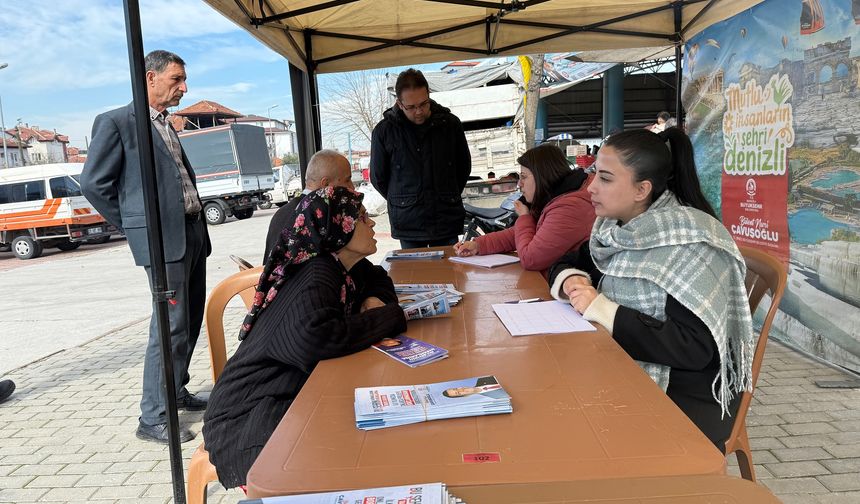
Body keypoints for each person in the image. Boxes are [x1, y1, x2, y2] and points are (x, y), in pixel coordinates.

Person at [547, 128, 754, 451]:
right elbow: (567, 261)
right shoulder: (619, 231)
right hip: (630, 366)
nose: (591, 188)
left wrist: (602, 308)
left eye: (605, 178)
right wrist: (574, 279)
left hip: (686, 400)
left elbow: (693, 348)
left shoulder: (686, 243)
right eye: (593, 175)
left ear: (642, 189)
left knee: (557, 422)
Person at [203, 186, 407, 489]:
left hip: (293, 400)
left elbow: (378, 277)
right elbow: (315, 340)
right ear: (339, 228)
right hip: (249, 421)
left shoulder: (342, 264)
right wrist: (388, 316)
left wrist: (376, 298)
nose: (373, 224)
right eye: (362, 218)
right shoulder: (317, 272)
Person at [81, 50, 211, 444]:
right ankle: (152, 416)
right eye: (176, 79)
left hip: (190, 235)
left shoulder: (165, 123)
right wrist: (137, 226)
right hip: (162, 243)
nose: (184, 88)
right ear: (150, 78)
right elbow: (94, 184)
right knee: (169, 327)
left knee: (188, 322)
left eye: (184, 79)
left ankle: (175, 392)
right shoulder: (118, 122)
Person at [454, 144, 596, 276]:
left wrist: (524, 217)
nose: (519, 184)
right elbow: (520, 235)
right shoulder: (553, 197)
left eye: (523, 177)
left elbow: (531, 259)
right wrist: (478, 245)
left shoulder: (568, 209)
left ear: (543, 176)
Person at [370, 68, 471, 249]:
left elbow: (463, 167)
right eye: (411, 107)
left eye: (423, 104)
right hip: (409, 222)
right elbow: (378, 178)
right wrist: (402, 199)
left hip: (446, 219)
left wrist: (447, 194)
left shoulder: (450, 124)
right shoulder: (384, 131)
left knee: (450, 274)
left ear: (429, 94)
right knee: (414, 276)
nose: (419, 111)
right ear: (399, 103)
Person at [263, 149, 354, 260]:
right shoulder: (317, 215)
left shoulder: (287, 210)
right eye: (347, 180)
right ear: (326, 184)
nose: (352, 187)